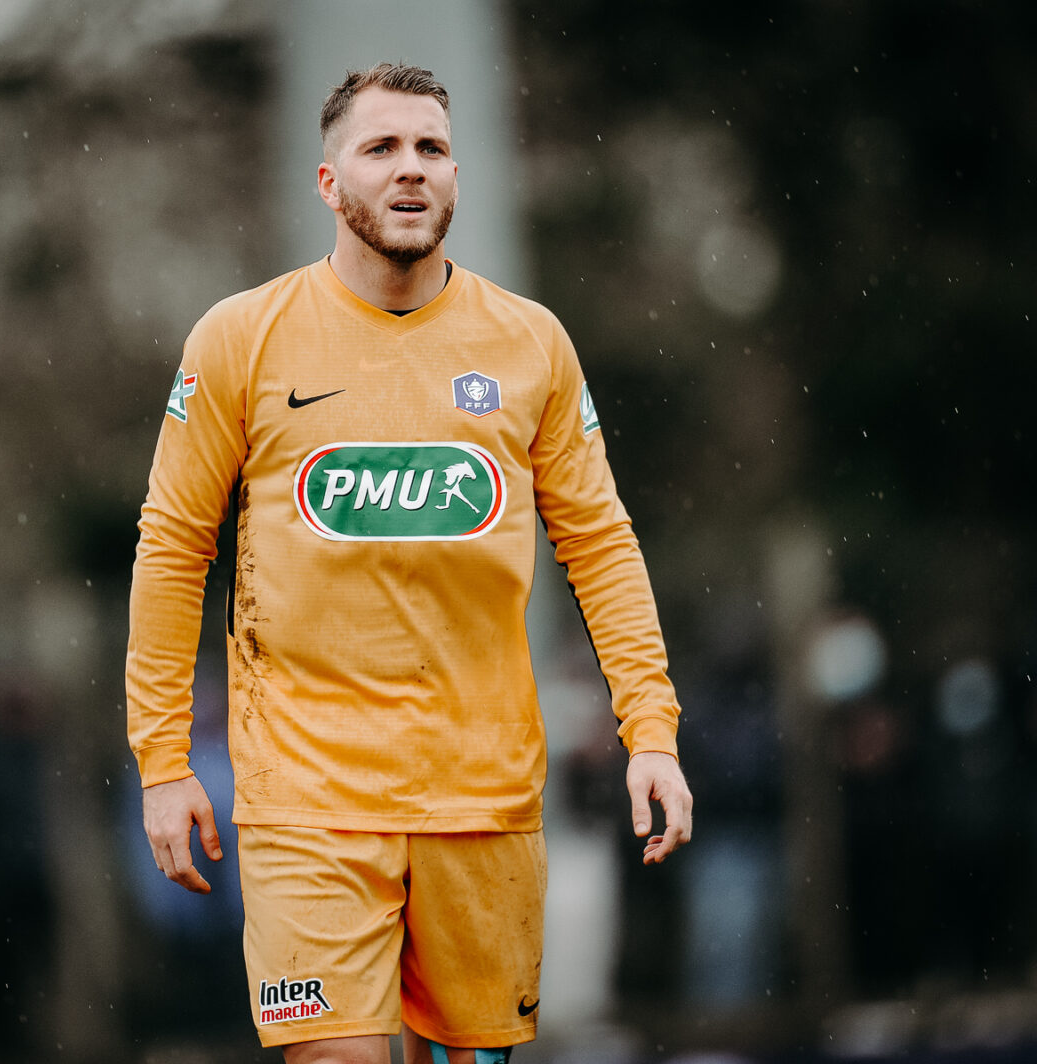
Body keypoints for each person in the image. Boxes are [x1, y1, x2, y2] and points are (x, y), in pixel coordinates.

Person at [125, 63, 692, 1063]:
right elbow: (172, 548)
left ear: (457, 176)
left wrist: (650, 729)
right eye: (380, 147)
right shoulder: (239, 339)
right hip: (306, 798)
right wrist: (162, 763)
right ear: (328, 181)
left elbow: (601, 543)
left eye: (431, 147)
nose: (410, 168)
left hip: (483, 799)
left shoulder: (530, 344)